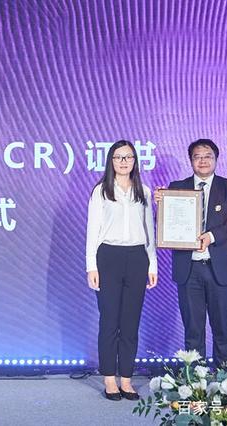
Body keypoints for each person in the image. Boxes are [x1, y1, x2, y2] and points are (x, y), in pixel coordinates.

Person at [155, 139, 227, 369]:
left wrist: (211, 236)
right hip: (189, 269)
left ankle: (225, 378)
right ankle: (195, 380)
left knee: (222, 328)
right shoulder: (177, 187)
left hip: (221, 268)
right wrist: (161, 205)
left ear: (216, 159)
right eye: (197, 156)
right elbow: (166, 225)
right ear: (191, 161)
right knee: (193, 330)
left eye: (208, 156)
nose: (203, 160)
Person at [86, 140, 158, 401]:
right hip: (108, 257)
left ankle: (126, 379)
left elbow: (149, 230)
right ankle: (109, 378)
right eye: (118, 157)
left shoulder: (144, 191)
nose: (124, 162)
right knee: (109, 321)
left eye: (128, 157)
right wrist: (91, 266)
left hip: (137, 258)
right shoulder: (101, 191)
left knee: (130, 322)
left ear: (135, 161)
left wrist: (152, 263)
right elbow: (93, 230)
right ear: (111, 161)